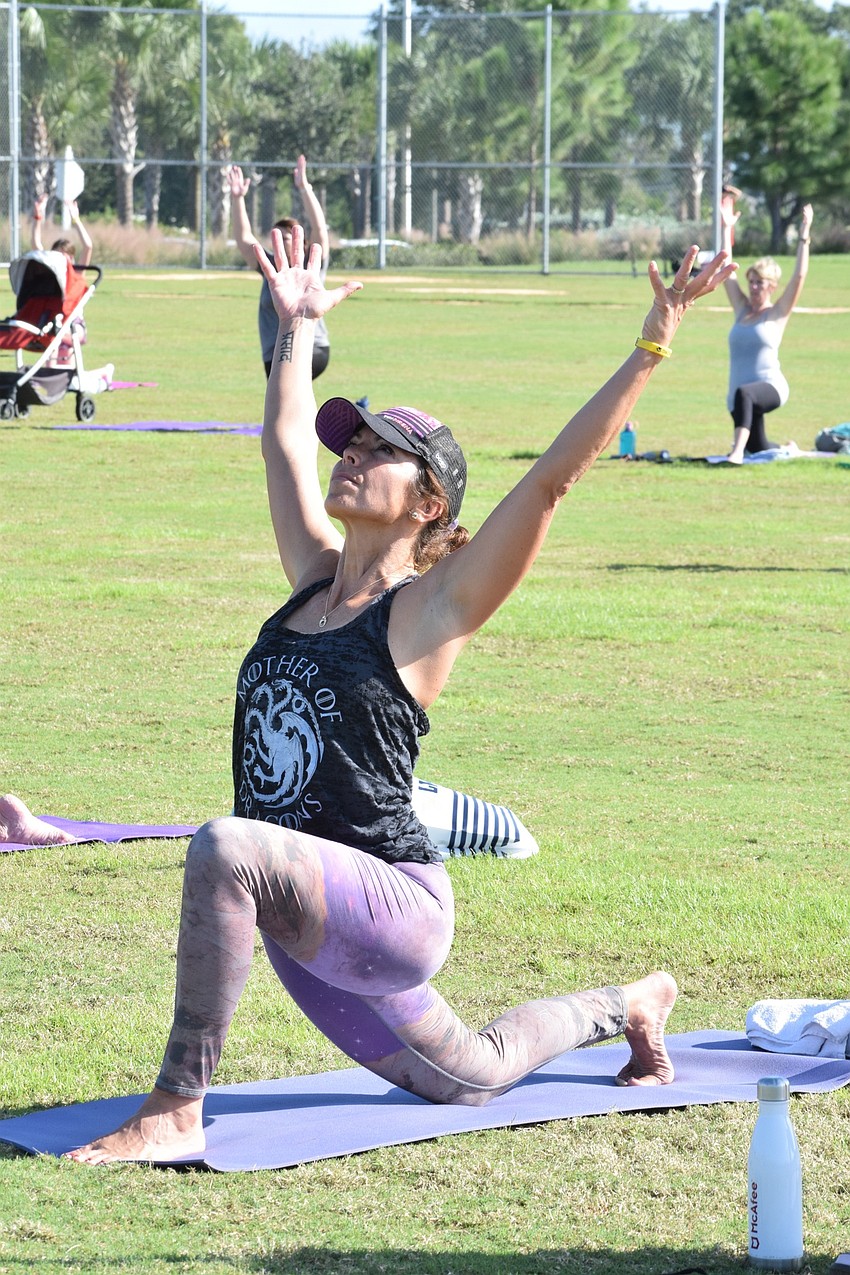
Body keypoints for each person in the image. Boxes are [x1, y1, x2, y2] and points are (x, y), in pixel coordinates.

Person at [66, 229, 735, 1165]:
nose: (353, 455)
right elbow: (282, 448)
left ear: (429, 504)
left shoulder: (427, 614)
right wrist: (296, 329)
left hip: (392, 909)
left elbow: (547, 485)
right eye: (355, 441)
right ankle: (628, 1002)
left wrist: (654, 341)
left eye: (380, 451)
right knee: (474, 1071)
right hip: (318, 917)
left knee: (226, 845)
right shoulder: (310, 579)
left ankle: (178, 1107)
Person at [720, 196, 813, 464]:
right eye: (751, 282)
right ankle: (787, 449)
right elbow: (728, 269)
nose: (754, 287)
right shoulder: (741, 309)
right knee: (759, 449)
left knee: (746, 395)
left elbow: (799, 277)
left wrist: (804, 235)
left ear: (772, 286)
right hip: (737, 398)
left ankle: (735, 453)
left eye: (760, 283)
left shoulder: (777, 313)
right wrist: (727, 229)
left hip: (770, 388)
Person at [229, 155, 331, 381]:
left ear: (302, 242)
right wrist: (237, 199)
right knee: (281, 404)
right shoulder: (271, 268)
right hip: (273, 352)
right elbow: (244, 238)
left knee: (287, 398)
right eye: (277, 236)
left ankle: (349, 412)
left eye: (287, 236)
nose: (282, 240)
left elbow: (320, 229)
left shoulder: (309, 264)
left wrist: (304, 188)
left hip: (312, 347)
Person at [31, 194, 94, 365]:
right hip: (54, 327)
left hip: (73, 327)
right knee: (50, 361)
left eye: (66, 256)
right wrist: (38, 217)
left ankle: (102, 375)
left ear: (72, 259)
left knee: (69, 371)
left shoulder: (77, 274)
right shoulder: (51, 275)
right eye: (58, 255)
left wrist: (76, 220)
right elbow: (36, 245)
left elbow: (88, 246)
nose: (63, 260)